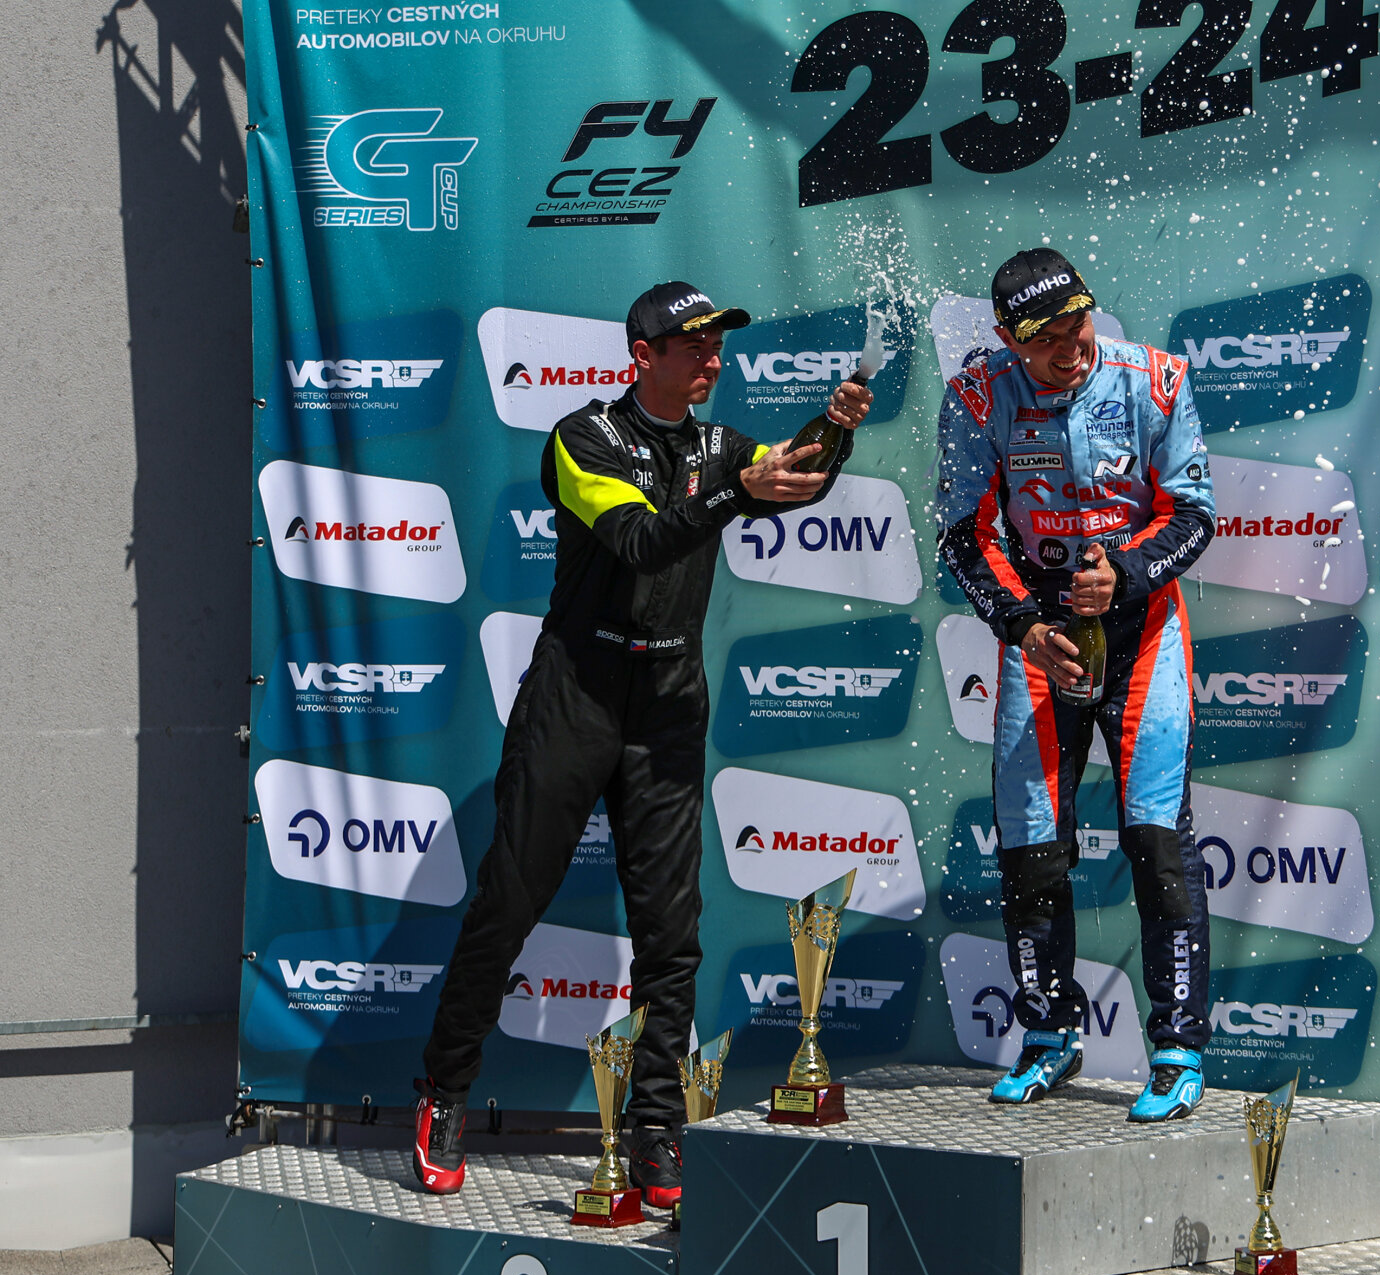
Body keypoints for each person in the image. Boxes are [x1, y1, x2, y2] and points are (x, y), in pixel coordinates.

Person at [411, 282, 872, 1202]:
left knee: (671, 931)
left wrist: (834, 430)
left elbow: (794, 477)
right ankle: (444, 1093)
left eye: (716, 345)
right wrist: (735, 492)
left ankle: (658, 1128)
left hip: (667, 699)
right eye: (692, 345)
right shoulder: (582, 437)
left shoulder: (720, 445)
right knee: (509, 902)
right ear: (643, 356)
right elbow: (640, 542)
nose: (711, 360)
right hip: (577, 692)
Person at [936, 248, 1217, 1122]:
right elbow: (963, 533)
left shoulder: (1157, 380)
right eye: (1045, 338)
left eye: (1078, 323)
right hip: (1038, 636)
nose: (1070, 347)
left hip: (1141, 631)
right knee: (1031, 847)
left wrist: (1125, 575)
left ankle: (1178, 1048)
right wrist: (1025, 626)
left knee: (1156, 840)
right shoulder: (976, 396)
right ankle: (1048, 1036)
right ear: (1006, 338)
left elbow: (1194, 513)